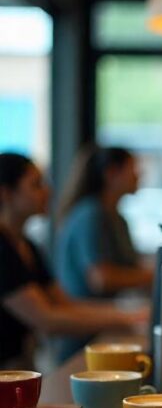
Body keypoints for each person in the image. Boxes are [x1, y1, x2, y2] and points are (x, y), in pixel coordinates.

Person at [0, 153, 146, 370]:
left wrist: (130, 314)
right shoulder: (3, 249)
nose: (48, 191)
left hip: (18, 366)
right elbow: (46, 319)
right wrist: (127, 318)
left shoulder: (28, 245)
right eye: (36, 184)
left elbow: (64, 303)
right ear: (5, 193)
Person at [54, 144, 152, 362]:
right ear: (111, 173)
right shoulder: (91, 214)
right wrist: (157, 274)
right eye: (133, 168)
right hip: (83, 336)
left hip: (106, 328)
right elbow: (102, 279)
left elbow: (131, 271)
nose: (139, 175)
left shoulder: (117, 218)